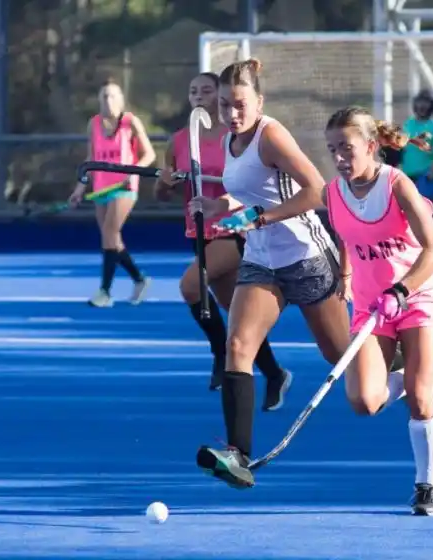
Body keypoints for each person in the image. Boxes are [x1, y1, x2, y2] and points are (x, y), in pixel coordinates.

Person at [190, 59, 421, 489]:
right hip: (261, 260)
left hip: (306, 257)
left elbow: (318, 191)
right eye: (224, 105)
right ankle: (238, 455)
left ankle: (411, 375)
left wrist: (260, 218)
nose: (231, 113)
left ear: (259, 102)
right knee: (237, 346)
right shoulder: (230, 139)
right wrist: (219, 205)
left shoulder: (271, 135)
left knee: (341, 356)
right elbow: (252, 192)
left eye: (240, 104)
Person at [323, 106, 433, 516]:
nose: (339, 157)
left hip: (417, 297)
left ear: (371, 146)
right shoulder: (333, 192)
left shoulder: (397, 184)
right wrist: (344, 272)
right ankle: (414, 382)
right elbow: (346, 232)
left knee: (419, 401)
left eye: (347, 148)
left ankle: (429, 486)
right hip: (370, 306)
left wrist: (403, 288)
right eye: (332, 149)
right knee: (364, 401)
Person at [155, 71, 290, 407]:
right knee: (236, 316)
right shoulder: (179, 140)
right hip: (198, 230)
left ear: (220, 96)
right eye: (193, 91)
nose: (199, 96)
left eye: (206, 90)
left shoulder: (234, 137)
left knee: (190, 286)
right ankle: (274, 373)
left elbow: (252, 181)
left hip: (234, 228)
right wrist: (166, 182)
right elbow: (162, 193)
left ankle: (218, 354)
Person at [70, 78, 155, 308]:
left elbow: (149, 154)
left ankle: (105, 292)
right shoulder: (94, 124)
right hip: (101, 188)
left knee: (109, 232)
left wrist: (132, 173)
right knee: (111, 239)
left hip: (124, 189)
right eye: (104, 96)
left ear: (121, 99)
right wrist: (80, 188)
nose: (108, 100)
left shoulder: (130, 122)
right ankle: (139, 279)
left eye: (112, 96)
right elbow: (91, 158)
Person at [401, 90, 433, 204]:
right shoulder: (409, 124)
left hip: (425, 177)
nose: (422, 106)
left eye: (426, 102)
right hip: (407, 175)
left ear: (432, 106)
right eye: (420, 102)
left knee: (424, 208)